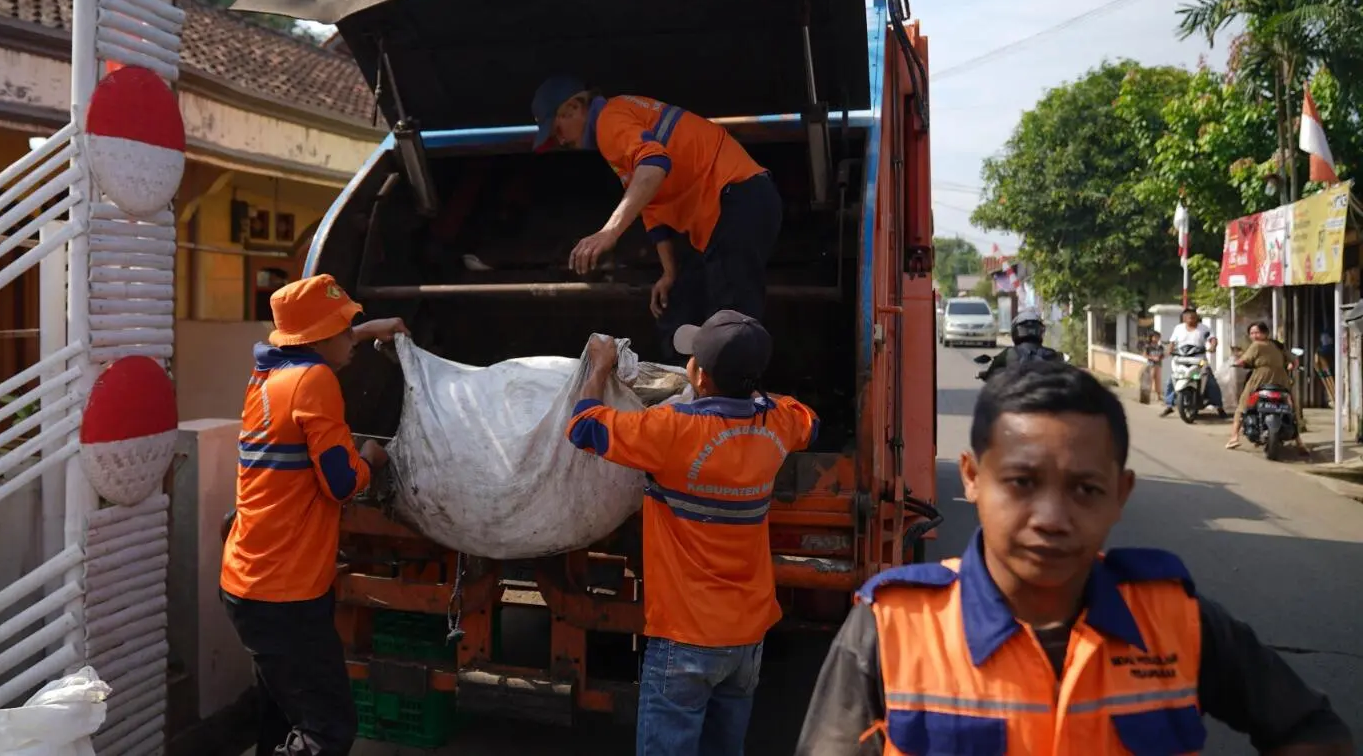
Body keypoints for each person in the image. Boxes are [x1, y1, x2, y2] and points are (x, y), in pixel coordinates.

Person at [793, 362, 1353, 755]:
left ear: (1120, 494)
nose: (1052, 518)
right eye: (1021, 483)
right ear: (972, 478)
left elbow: (1312, 729)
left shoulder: (1177, 622)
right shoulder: (893, 627)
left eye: (1085, 490)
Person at [565, 311, 818, 755]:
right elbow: (810, 420)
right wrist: (753, 394)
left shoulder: (672, 430)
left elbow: (583, 426)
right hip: (746, 639)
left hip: (684, 638)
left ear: (698, 375)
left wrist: (600, 367)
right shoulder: (777, 425)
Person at [219, 274, 407, 756]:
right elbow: (341, 482)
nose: (351, 337)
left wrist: (364, 332)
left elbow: (310, 350)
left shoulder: (267, 374)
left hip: (251, 581)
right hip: (287, 593)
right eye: (344, 327)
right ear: (320, 338)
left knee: (281, 719)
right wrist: (372, 458)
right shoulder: (315, 381)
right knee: (328, 731)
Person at [531, 76, 782, 357]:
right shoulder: (619, 122)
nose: (561, 140)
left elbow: (654, 165)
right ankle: (688, 380)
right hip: (731, 206)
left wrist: (609, 232)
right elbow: (651, 205)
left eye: (557, 130)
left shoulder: (609, 120)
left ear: (575, 106)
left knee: (730, 327)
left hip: (736, 200)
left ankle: (730, 382)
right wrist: (669, 272)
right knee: (681, 307)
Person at [1227, 321, 1306, 452]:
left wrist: (1236, 363)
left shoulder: (1256, 345)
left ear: (1265, 333)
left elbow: (1244, 360)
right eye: (1252, 333)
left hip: (1260, 378)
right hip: (1281, 379)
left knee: (1243, 404)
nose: (1254, 336)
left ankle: (1234, 437)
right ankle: (1299, 443)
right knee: (1291, 408)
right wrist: (1290, 367)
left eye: (1257, 332)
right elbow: (1295, 361)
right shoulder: (1278, 345)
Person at [1161, 307, 1225, 417]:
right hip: (1181, 359)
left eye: (1192, 315)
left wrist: (1213, 346)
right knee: (1172, 379)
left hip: (1199, 360)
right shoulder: (1178, 328)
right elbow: (1172, 342)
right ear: (1183, 318)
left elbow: (1212, 339)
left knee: (1210, 381)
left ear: (1197, 317)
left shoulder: (1203, 328)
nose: (1190, 317)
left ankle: (1219, 407)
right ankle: (1169, 405)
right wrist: (1169, 350)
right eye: (1187, 315)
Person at [979, 309, 1061, 381]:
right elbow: (1063, 373)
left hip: (1014, 392)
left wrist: (986, 375)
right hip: (1046, 392)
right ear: (1040, 330)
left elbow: (991, 372)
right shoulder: (1051, 353)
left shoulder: (1008, 353)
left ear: (1015, 331)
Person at [1142, 329, 1166, 402]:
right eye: (1155, 337)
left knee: (1158, 381)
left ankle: (1159, 396)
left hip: (1158, 365)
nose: (1156, 339)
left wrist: (1160, 357)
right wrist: (1153, 358)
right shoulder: (1148, 346)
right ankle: (1147, 396)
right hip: (1151, 365)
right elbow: (1144, 355)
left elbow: (1163, 355)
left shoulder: (1160, 347)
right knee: (1150, 381)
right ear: (1151, 337)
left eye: (1158, 337)